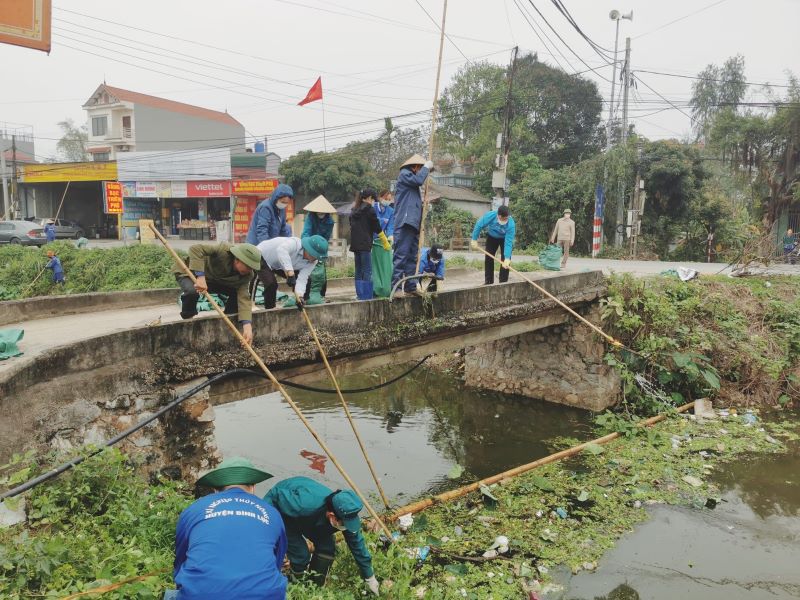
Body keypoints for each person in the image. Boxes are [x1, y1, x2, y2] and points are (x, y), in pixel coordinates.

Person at [170, 457, 287, 600]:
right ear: (253, 487)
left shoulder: (194, 509)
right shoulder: (272, 513)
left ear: (215, 489)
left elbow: (180, 557)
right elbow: (277, 563)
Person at [264, 476, 380, 596]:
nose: (347, 527)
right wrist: (262, 522)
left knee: (327, 548)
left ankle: (313, 588)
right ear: (331, 515)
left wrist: (369, 577)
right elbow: (275, 496)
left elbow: (357, 545)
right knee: (301, 554)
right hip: (285, 512)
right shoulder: (304, 505)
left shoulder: (344, 511)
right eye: (344, 524)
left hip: (314, 518)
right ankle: (296, 587)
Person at [173, 242, 261, 344]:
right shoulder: (222, 250)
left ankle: (228, 319)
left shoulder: (247, 275)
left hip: (213, 281)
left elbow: (244, 298)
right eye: (248, 266)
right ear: (237, 260)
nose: (249, 270)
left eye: (251, 268)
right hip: (190, 272)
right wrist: (200, 276)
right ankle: (188, 319)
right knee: (192, 292)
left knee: (236, 295)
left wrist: (247, 325)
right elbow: (195, 249)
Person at [391, 154, 433, 295]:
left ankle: (410, 286)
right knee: (401, 256)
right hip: (405, 221)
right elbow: (420, 179)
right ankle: (396, 287)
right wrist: (427, 167)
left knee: (412, 257)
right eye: (420, 168)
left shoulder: (413, 186)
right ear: (415, 167)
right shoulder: (405, 175)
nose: (421, 171)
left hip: (414, 222)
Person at [256, 235, 328, 310]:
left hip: (280, 264)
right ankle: (270, 310)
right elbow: (281, 250)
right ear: (309, 250)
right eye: (315, 256)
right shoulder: (295, 244)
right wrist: (290, 272)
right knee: (271, 283)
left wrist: (300, 296)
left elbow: (302, 278)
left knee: (308, 281)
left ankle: (303, 303)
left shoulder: (313, 262)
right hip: (263, 256)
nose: (316, 259)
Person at [350, 188, 391, 300]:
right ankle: (367, 296)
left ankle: (360, 294)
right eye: (373, 199)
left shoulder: (354, 210)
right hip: (365, 245)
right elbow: (377, 227)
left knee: (358, 269)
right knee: (367, 270)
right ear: (369, 198)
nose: (374, 202)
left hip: (355, 245)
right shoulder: (370, 210)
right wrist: (385, 241)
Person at [300, 195, 336, 304]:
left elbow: (326, 237)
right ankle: (305, 296)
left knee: (322, 273)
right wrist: (308, 248)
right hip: (309, 244)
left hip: (321, 246)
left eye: (322, 212)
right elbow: (306, 233)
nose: (320, 214)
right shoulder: (310, 218)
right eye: (318, 212)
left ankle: (321, 295)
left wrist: (321, 251)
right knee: (307, 271)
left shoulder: (330, 222)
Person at [471, 205, 516, 285]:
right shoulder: (491, 215)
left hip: (504, 239)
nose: (506, 219)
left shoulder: (511, 224)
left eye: (507, 218)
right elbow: (479, 225)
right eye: (505, 218)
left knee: (505, 262)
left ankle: (503, 283)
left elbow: (508, 242)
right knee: (488, 258)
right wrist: (474, 239)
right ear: (499, 216)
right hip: (492, 237)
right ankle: (488, 281)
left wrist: (507, 257)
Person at [372, 190, 395, 298]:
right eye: (386, 199)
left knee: (385, 264)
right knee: (373, 265)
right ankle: (373, 288)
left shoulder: (390, 211)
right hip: (371, 240)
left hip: (382, 241)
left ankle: (384, 287)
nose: (388, 201)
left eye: (390, 200)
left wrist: (390, 236)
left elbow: (390, 226)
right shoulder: (373, 208)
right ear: (380, 197)